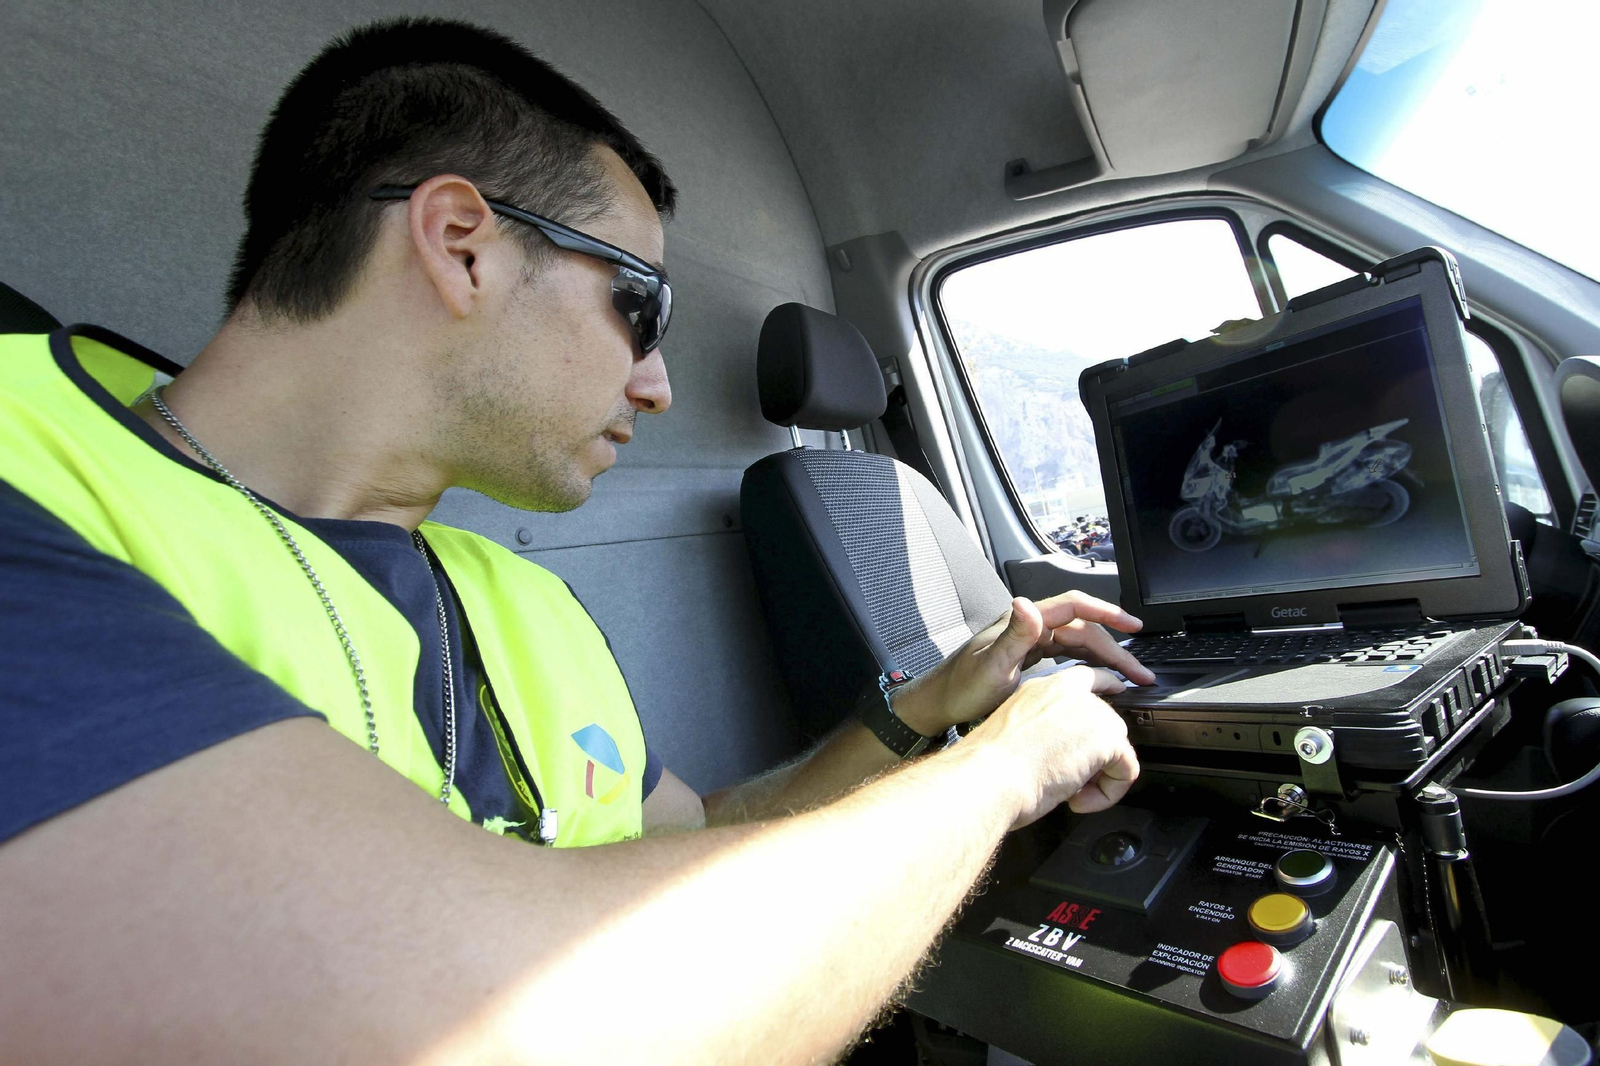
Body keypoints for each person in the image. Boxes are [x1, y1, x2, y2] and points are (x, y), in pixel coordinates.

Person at [0, 17, 1153, 1063]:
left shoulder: (519, 599)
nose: (654, 384)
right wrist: (1007, 770)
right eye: (640, 306)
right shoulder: (30, 475)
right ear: (460, 244)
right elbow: (491, 1027)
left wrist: (926, 710)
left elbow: (696, 842)